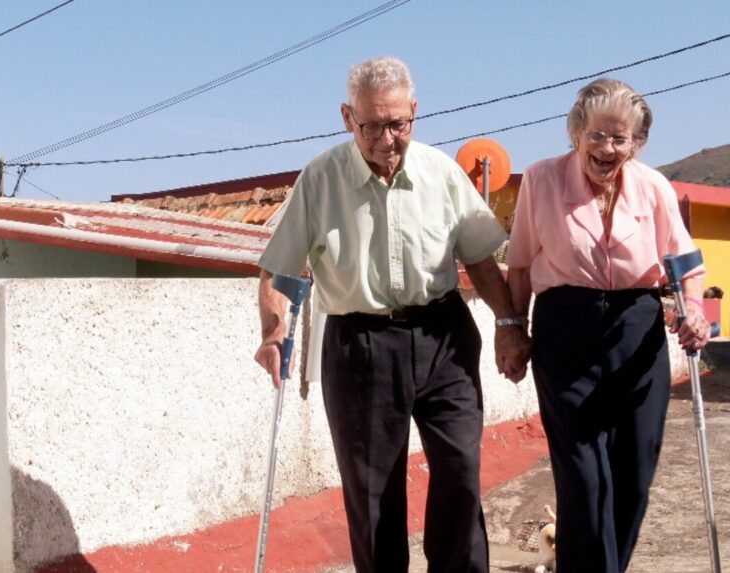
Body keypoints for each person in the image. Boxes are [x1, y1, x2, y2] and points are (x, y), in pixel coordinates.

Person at [254, 56, 531, 573]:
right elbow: (277, 271)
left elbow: (479, 257)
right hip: (361, 346)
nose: (387, 139)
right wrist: (274, 332)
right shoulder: (321, 178)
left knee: (461, 470)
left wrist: (510, 324)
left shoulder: (441, 172)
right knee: (374, 494)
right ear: (347, 118)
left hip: (444, 336)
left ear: (414, 112)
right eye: (372, 126)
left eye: (398, 124)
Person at [506, 78, 711, 572]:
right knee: (584, 477)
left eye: (621, 138)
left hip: (636, 328)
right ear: (577, 132)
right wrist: (512, 330)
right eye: (598, 135)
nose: (608, 148)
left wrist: (694, 309)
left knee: (635, 470)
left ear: (635, 142)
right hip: (565, 331)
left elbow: (686, 263)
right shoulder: (541, 180)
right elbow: (520, 265)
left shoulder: (654, 187)